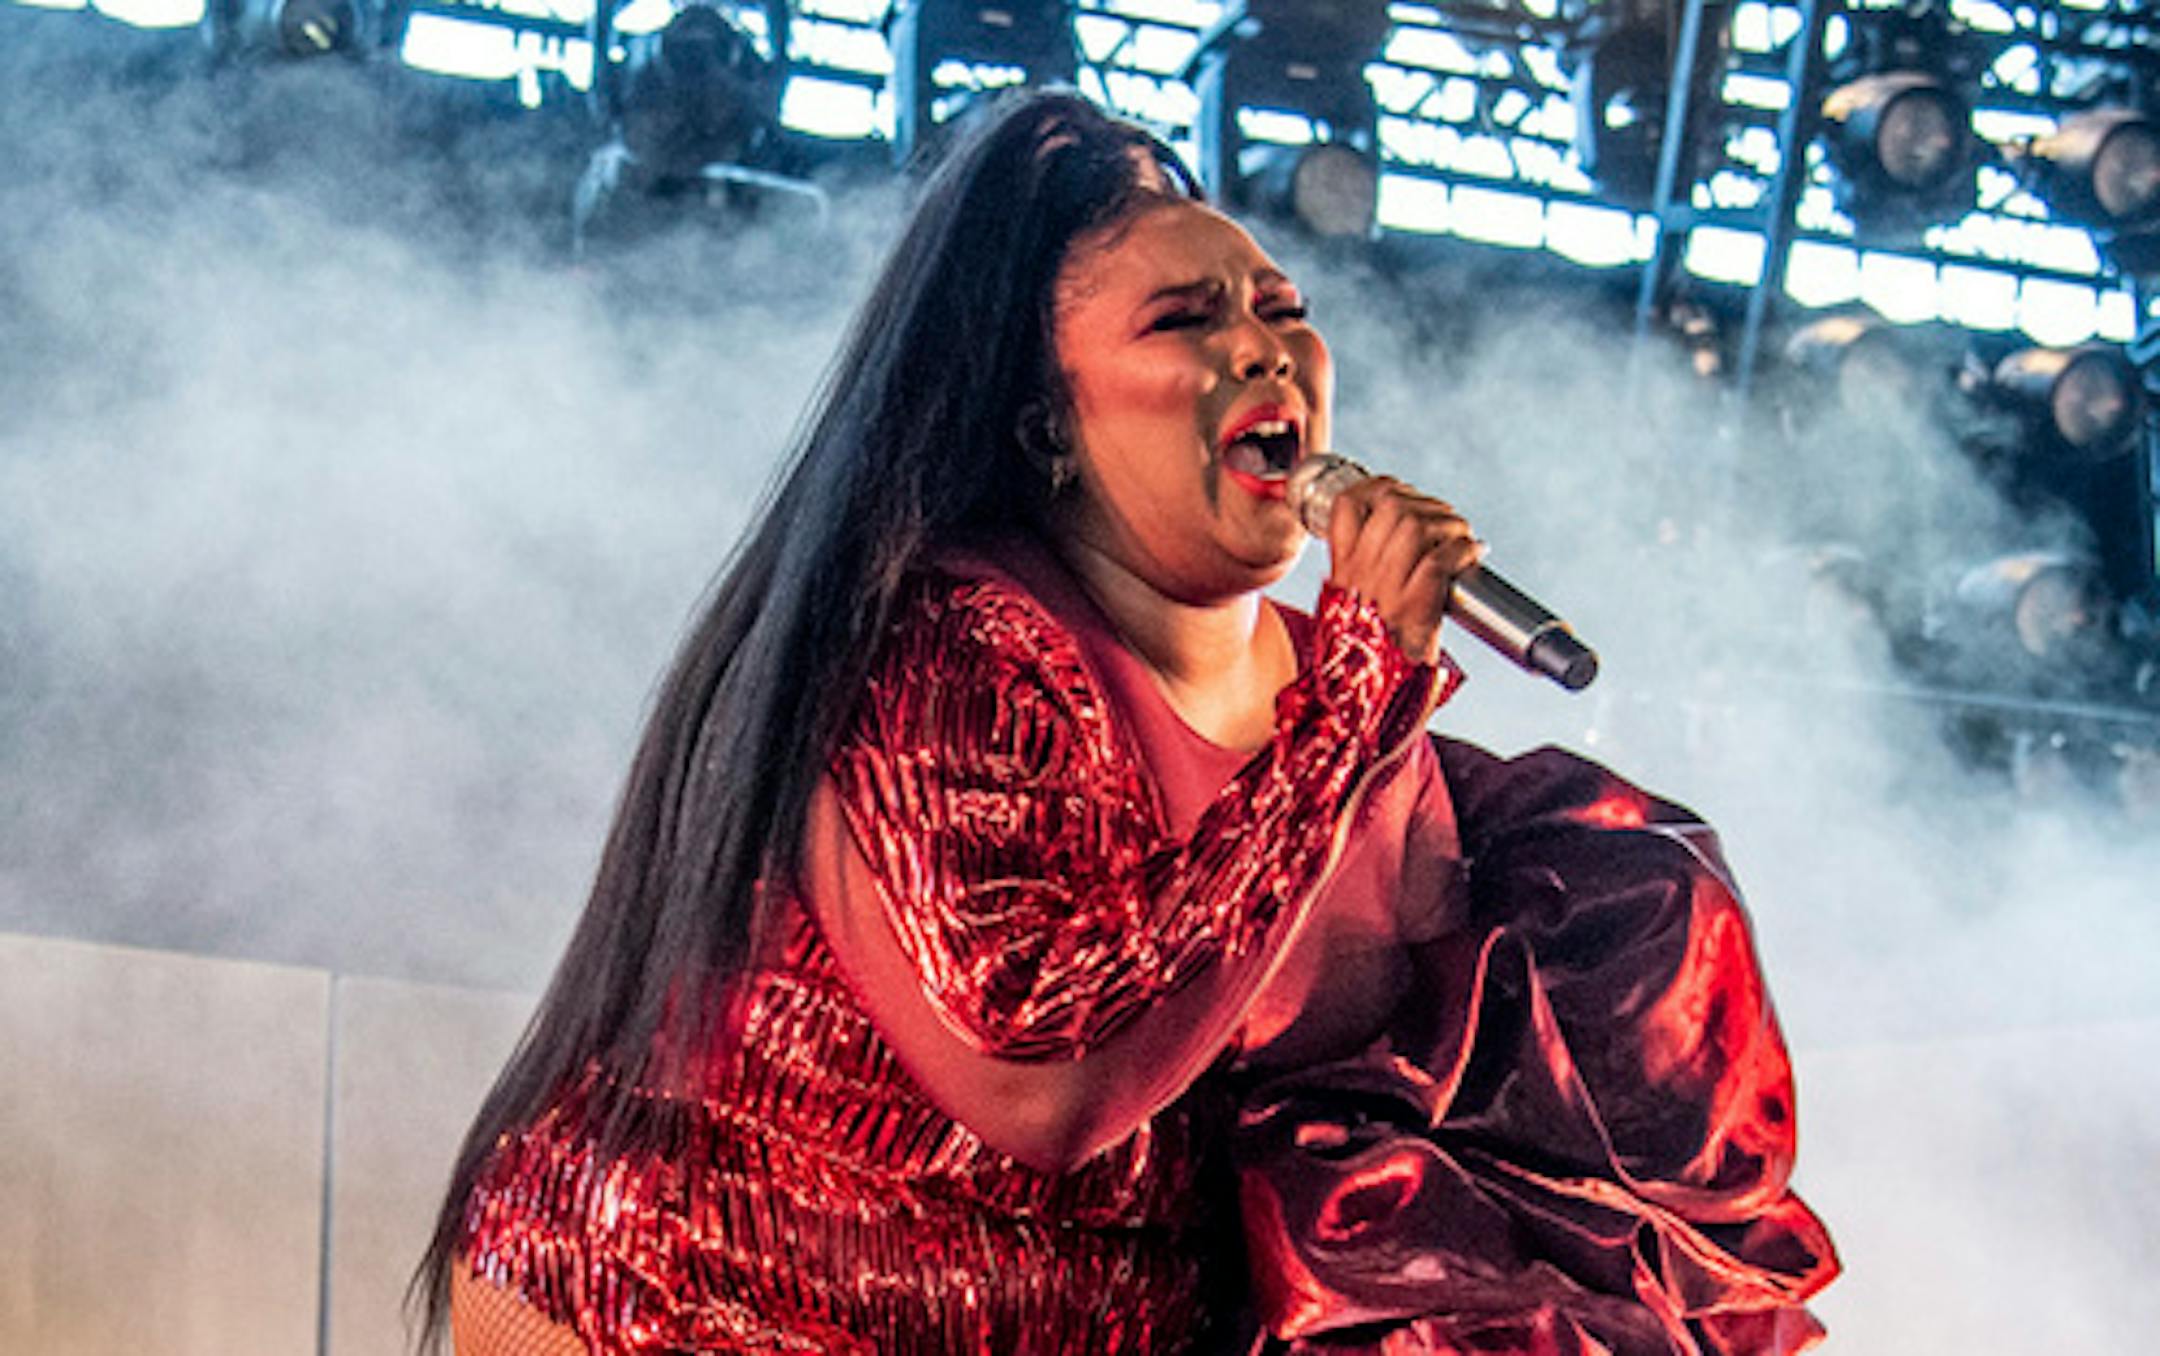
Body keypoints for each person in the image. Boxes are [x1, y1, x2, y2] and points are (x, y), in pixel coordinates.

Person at [418, 91, 1836, 1355]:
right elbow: (1046, 1086)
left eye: (1280, 308)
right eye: (1185, 321)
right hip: (700, 1299)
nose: (1262, 349)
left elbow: (1363, 1086)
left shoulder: (1347, 694)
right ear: (1048, 421)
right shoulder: (959, 642)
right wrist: (1351, 707)